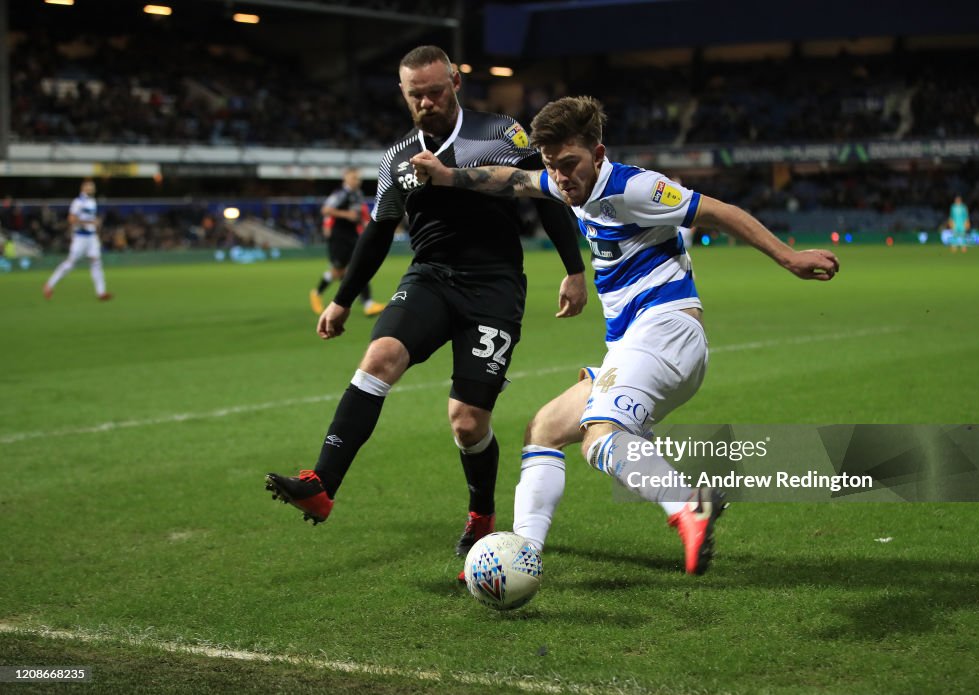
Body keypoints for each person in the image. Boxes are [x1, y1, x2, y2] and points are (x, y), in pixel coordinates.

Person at [411, 95, 839, 575]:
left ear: (597, 154)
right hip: (635, 343)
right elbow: (513, 180)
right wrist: (446, 175)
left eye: (569, 164)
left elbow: (719, 212)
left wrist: (789, 257)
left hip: (666, 331)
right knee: (544, 429)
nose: (559, 177)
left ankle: (687, 503)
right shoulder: (567, 183)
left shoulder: (636, 188)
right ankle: (523, 555)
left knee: (601, 437)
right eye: (551, 165)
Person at [266, 47, 588, 559]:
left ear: (455, 82)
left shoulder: (502, 134)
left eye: (436, 91)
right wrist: (343, 300)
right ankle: (322, 485)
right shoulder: (397, 159)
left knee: (467, 421)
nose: (427, 102)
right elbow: (377, 231)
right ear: (403, 93)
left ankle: (481, 514)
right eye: (416, 94)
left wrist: (574, 269)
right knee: (379, 358)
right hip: (430, 278)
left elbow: (545, 196)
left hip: (494, 288)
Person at [309, 168, 385, 316]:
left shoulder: (358, 194)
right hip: (339, 237)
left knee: (360, 266)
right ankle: (317, 292)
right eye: (354, 178)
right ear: (346, 179)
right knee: (338, 271)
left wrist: (365, 225)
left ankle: (368, 304)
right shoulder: (340, 194)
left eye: (358, 178)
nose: (357, 181)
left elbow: (359, 214)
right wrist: (346, 214)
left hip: (353, 235)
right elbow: (325, 210)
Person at [43, 179, 112, 301]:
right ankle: (49, 285)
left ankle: (101, 292)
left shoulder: (92, 201)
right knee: (70, 263)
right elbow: (71, 219)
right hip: (80, 237)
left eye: (93, 186)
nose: (92, 188)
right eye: (90, 186)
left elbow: (90, 218)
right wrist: (89, 223)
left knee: (96, 262)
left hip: (91, 237)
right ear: (83, 188)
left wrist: (95, 223)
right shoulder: (78, 202)